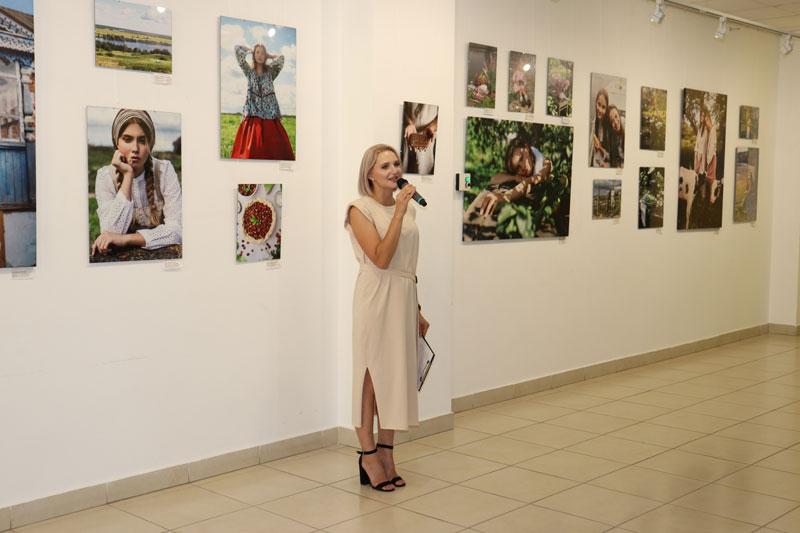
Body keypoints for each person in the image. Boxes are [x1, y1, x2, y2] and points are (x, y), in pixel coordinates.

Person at [344, 144, 430, 492]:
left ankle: (387, 454)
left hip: (403, 297)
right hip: (376, 298)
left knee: (395, 377)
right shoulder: (359, 210)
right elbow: (381, 257)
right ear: (370, 174)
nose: (394, 170)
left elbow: (407, 263)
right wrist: (398, 213)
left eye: (396, 164)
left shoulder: (409, 211)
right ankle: (368, 457)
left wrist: (417, 309)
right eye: (385, 166)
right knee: (371, 378)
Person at [92, 109, 182, 256]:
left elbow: (176, 230)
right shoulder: (105, 176)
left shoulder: (164, 170)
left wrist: (126, 240)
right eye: (127, 139)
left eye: (142, 140)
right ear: (116, 142)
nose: (135, 149)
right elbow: (110, 233)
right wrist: (128, 175)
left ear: (150, 144)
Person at [230, 43, 294, 160]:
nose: (260, 55)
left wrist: (270, 56)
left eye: (262, 53)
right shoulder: (249, 72)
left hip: (270, 116)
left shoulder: (271, 73)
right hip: (253, 115)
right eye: (257, 52)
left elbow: (281, 58)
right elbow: (237, 50)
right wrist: (250, 50)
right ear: (254, 55)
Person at [401, 103, 438, 175]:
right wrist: (408, 122)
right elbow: (401, 107)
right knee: (405, 168)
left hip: (428, 136)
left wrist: (432, 127)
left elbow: (444, 115)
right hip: (408, 133)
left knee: (423, 172)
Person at [589, 88, 611, 167]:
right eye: (599, 104)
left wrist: (600, 148)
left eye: (603, 107)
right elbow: (595, 152)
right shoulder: (593, 122)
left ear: (606, 108)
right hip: (597, 163)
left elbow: (611, 157)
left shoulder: (608, 126)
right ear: (595, 103)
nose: (600, 110)